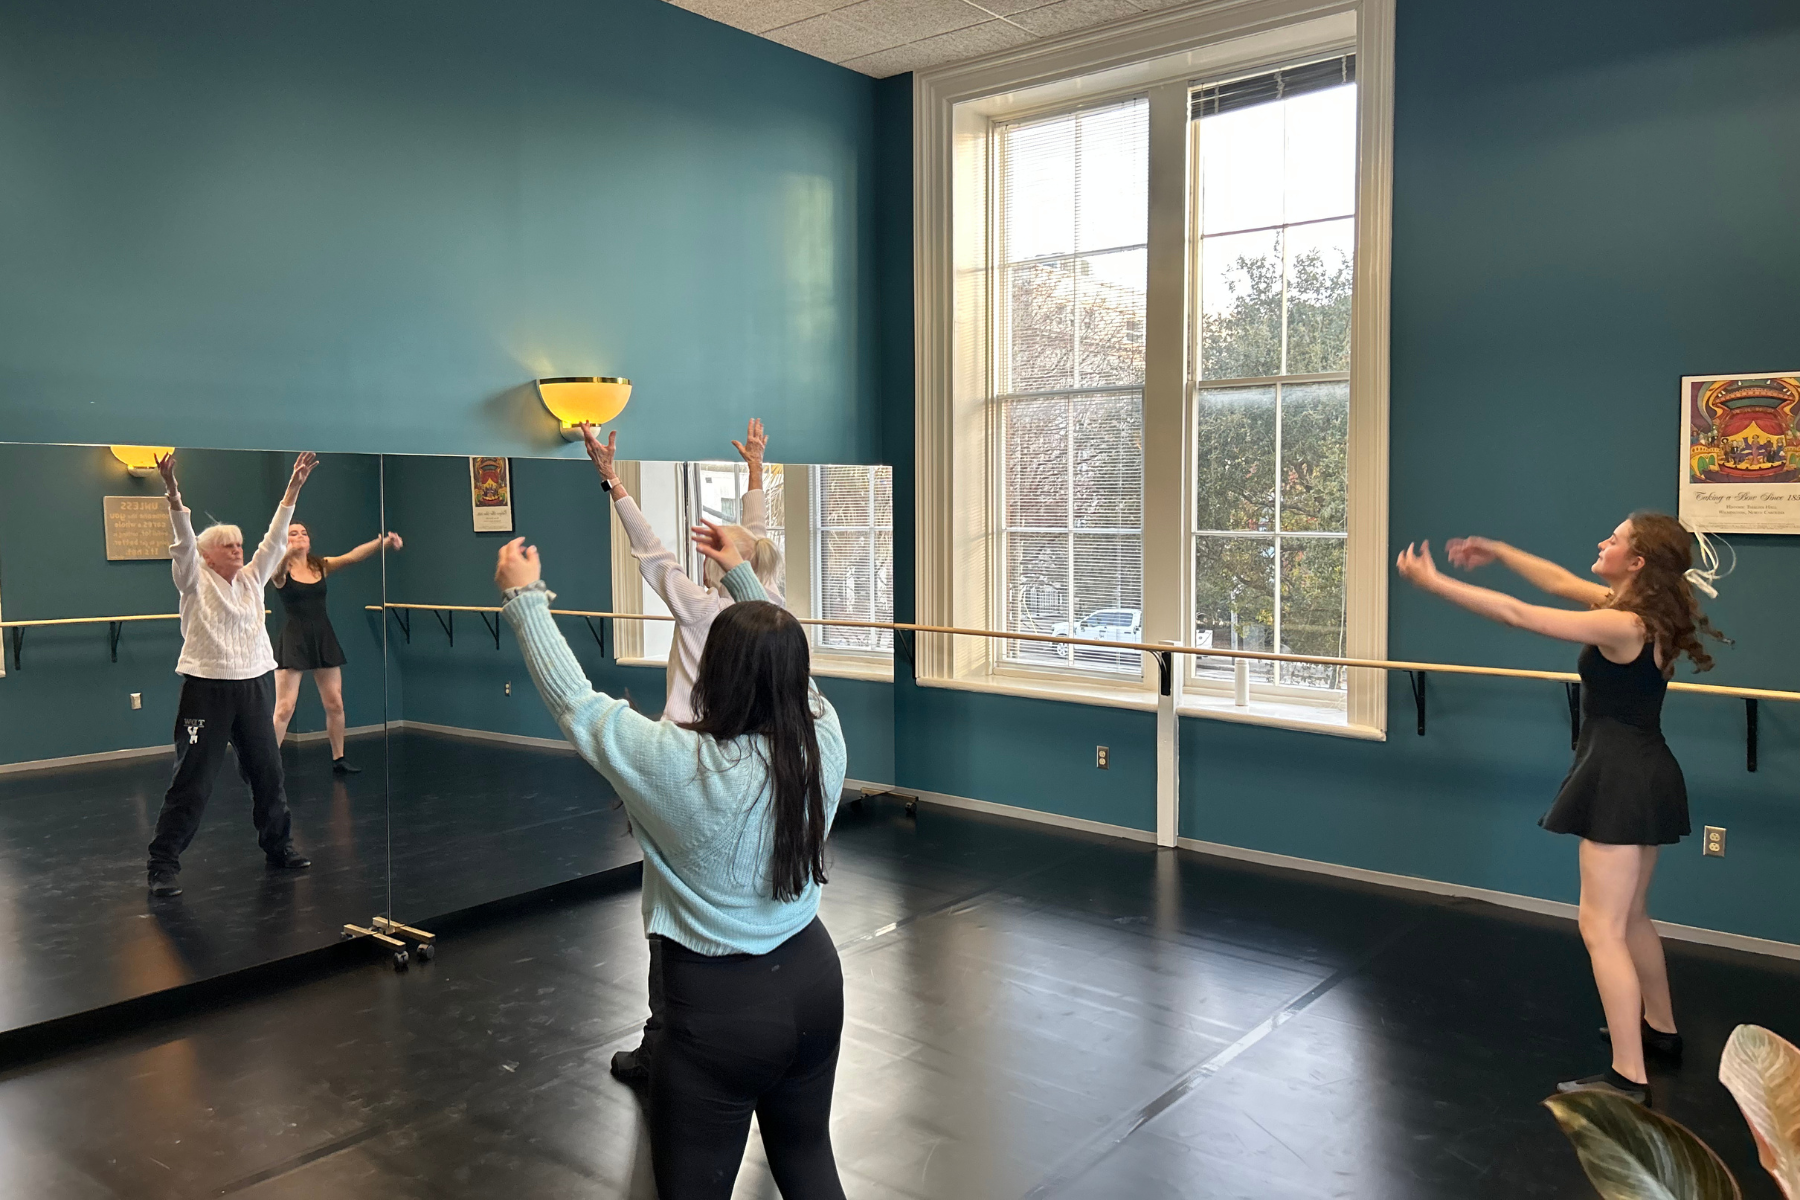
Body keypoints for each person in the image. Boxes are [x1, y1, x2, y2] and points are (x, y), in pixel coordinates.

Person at [495, 525, 848, 1200]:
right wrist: (743, 576)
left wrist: (526, 602)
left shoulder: (679, 765)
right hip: (813, 983)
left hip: (719, 1012)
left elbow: (579, 706)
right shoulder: (822, 736)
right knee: (808, 1161)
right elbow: (787, 667)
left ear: (714, 673)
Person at [1398, 514, 1727, 1105]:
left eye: (1615, 539)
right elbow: (1553, 582)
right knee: (1631, 918)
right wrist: (1500, 548)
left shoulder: (1621, 623)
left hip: (1619, 778)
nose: (1602, 542)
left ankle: (1628, 1077)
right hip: (1645, 769)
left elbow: (1519, 614)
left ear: (1638, 562)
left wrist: (1434, 583)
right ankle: (1661, 1030)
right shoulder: (1637, 612)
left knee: (1600, 928)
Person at [581, 417, 785, 1084]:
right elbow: (755, 541)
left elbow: (652, 553)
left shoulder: (702, 609)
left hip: (689, 766)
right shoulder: (773, 609)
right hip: (750, 765)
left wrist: (613, 481)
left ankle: (661, 1044)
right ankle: (726, 1023)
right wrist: (755, 475)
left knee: (666, 904)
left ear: (725, 565)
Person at [147, 451, 319, 898]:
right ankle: (162, 864)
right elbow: (183, 541)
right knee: (193, 779)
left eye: (239, 544)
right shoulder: (193, 579)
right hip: (206, 690)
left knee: (268, 772)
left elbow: (275, 539)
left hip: (254, 686)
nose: (238, 549)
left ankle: (279, 847)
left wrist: (294, 487)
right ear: (206, 557)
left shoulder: (252, 579)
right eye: (228, 545)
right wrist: (173, 492)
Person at [268, 522, 404, 773]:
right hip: (294, 639)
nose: (300, 536)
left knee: (335, 703)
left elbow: (352, 557)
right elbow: (276, 574)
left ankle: (338, 758)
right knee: (285, 707)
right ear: (284, 541)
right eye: (293, 534)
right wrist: (286, 553)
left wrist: (382, 543)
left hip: (323, 636)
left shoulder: (320, 566)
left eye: (304, 533)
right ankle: (266, 764)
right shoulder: (280, 569)